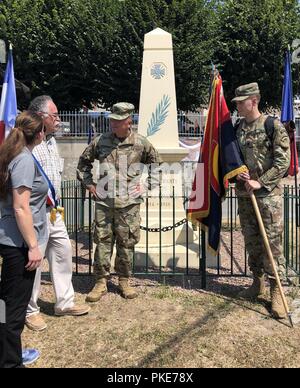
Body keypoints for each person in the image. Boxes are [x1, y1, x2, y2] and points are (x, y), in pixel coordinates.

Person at [77, 102, 159, 302]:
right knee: (102, 243)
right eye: (112, 120)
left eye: (117, 120)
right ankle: (101, 282)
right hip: (104, 204)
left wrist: (146, 185)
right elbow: (83, 164)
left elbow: (157, 166)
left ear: (128, 121)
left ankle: (124, 280)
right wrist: (89, 185)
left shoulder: (141, 143)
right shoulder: (101, 141)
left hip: (129, 205)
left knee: (126, 243)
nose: (112, 123)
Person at [25, 96, 90, 332]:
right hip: (35, 212)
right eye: (54, 116)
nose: (59, 120)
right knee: (33, 261)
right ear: (41, 117)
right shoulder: (26, 142)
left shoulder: (52, 141)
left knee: (63, 252)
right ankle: (30, 310)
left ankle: (64, 303)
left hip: (54, 212)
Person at [232, 83, 290, 319]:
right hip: (245, 196)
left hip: (267, 197)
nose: (237, 105)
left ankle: (276, 289)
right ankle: (257, 283)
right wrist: (237, 174)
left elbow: (282, 162)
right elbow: (233, 160)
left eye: (240, 101)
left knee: (272, 244)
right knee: (252, 241)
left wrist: (261, 181)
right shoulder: (237, 128)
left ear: (253, 100)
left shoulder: (272, 126)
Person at [0, 111, 47, 368]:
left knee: (4, 304)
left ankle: (8, 353)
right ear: (39, 134)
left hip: (7, 237)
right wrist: (32, 246)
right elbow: (21, 207)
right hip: (17, 244)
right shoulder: (24, 159)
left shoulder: (8, 153)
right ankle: (11, 362)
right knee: (14, 309)